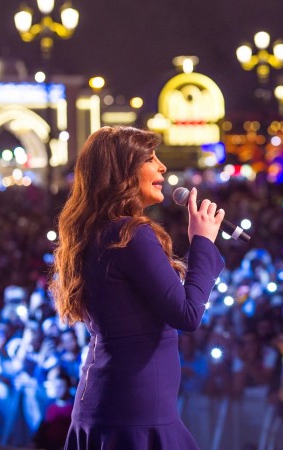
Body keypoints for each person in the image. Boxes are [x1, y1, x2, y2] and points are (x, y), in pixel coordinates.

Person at [50, 126, 225, 449]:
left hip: (105, 401)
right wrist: (202, 242)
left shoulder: (92, 233)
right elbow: (187, 315)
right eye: (150, 159)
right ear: (121, 172)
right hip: (137, 412)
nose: (162, 166)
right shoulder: (129, 234)